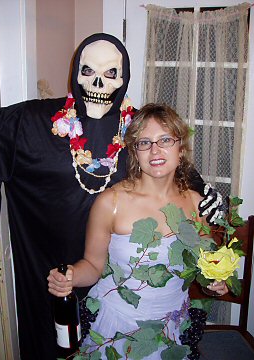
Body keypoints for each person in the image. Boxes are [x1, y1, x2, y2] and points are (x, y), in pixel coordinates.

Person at [0, 33, 222, 359]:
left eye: (110, 73)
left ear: (123, 80)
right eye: (88, 71)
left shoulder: (139, 130)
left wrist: (207, 193)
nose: (97, 82)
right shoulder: (37, 126)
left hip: (165, 314)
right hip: (93, 291)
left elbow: (175, 171)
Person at [48, 103, 228, 359]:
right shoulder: (111, 202)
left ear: (181, 148)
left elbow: (203, 269)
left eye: (165, 139)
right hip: (116, 326)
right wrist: (71, 276)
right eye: (144, 142)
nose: (155, 149)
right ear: (135, 152)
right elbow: (92, 265)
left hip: (171, 327)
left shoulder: (197, 205)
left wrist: (213, 283)